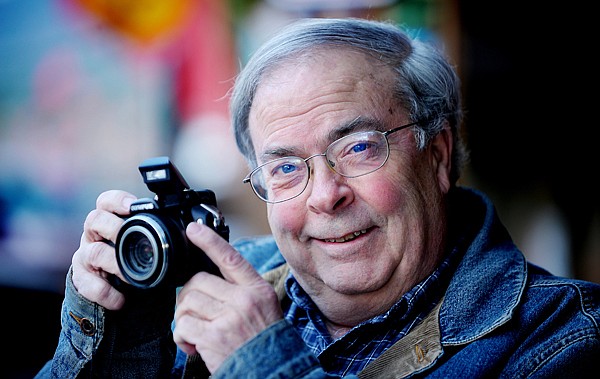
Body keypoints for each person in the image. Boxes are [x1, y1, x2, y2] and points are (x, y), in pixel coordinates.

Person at [36, 17, 600, 378]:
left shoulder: (566, 339)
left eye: (357, 148)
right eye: (285, 167)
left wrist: (262, 364)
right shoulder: (219, 289)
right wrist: (118, 338)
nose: (325, 196)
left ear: (438, 155)